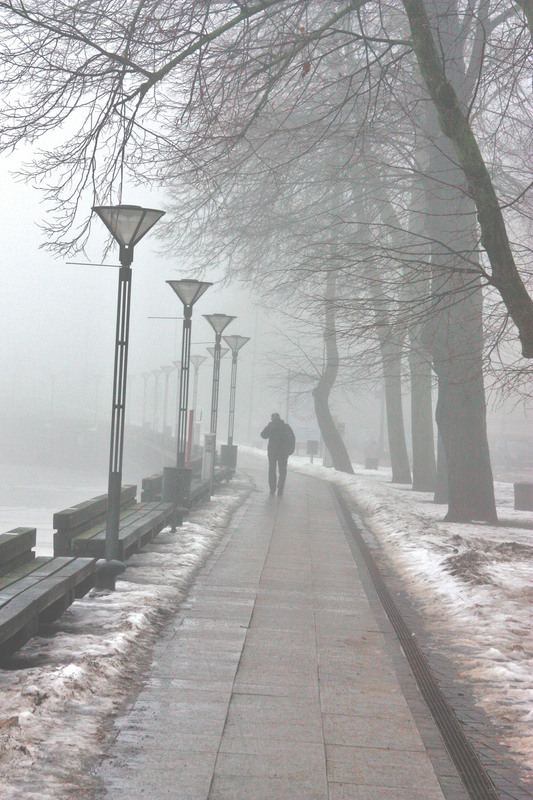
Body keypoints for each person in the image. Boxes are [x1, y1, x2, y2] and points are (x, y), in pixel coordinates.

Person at [260, 412, 295, 496]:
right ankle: (280, 487)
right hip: (283, 452)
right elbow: (292, 438)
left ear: (272, 419)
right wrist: (290, 450)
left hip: (272, 452)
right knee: (282, 470)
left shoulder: (271, 426)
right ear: (279, 418)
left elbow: (263, 435)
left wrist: (269, 426)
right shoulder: (286, 427)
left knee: (272, 470)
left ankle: (272, 489)